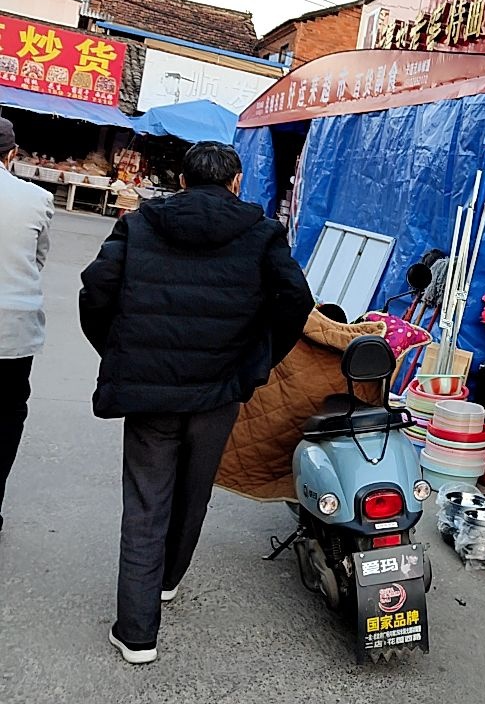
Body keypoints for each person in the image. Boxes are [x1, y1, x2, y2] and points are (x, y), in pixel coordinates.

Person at [80, 140, 312, 664]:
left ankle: (137, 632)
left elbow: (95, 291)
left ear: (182, 181)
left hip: (151, 390)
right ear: (236, 183)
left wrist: (122, 353)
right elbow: (296, 301)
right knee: (194, 489)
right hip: (219, 390)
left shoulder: (139, 224)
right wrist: (258, 360)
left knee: (146, 501)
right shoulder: (260, 233)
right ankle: (167, 579)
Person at [0, 116, 53, 532]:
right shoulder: (36, 198)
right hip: (13, 331)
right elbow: (37, 259)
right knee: (6, 416)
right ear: (12, 155)